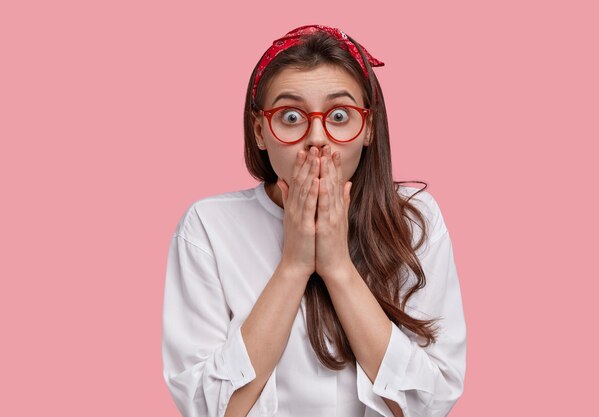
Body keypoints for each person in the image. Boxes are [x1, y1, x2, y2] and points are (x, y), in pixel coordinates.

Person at [161, 24, 467, 417]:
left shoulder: (414, 219)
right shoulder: (206, 227)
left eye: (339, 115)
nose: (317, 137)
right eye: (291, 116)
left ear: (368, 127)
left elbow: (431, 402)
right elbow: (207, 409)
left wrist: (338, 267)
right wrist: (294, 264)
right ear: (259, 130)